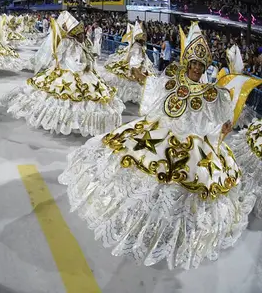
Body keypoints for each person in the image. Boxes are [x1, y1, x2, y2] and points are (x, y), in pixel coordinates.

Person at [59, 22, 256, 269]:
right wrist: (140, 75)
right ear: (187, 63)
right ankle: (138, 220)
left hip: (194, 146)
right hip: (161, 136)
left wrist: (222, 131)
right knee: (145, 179)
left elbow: (218, 119)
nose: (196, 68)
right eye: (193, 63)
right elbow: (153, 86)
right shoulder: (172, 81)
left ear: (205, 67)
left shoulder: (211, 93)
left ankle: (169, 230)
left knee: (184, 190)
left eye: (200, 65)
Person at [2, 11, 124, 136]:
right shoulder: (67, 42)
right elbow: (62, 57)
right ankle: (63, 120)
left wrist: (85, 64)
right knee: (65, 93)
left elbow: (83, 56)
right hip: (69, 70)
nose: (83, 36)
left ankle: (76, 121)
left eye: (83, 34)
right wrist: (77, 67)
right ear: (75, 34)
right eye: (81, 34)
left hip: (81, 70)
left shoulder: (80, 43)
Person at [100, 21, 156, 104]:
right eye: (143, 39)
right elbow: (130, 55)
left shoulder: (141, 46)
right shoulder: (136, 46)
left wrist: (143, 63)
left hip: (140, 63)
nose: (144, 40)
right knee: (131, 82)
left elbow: (142, 56)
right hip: (134, 64)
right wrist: (127, 64)